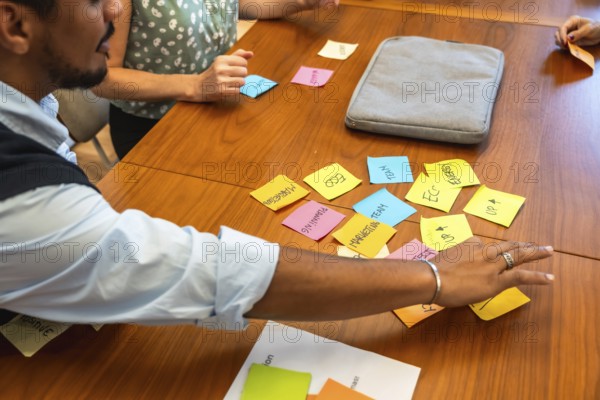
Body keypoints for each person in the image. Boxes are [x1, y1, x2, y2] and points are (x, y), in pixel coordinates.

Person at [0, 0, 554, 329]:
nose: (116, 10)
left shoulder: (27, 93)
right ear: (15, 26)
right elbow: (208, 272)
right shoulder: (23, 200)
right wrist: (433, 277)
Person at [91, 0, 339, 159]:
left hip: (216, 108)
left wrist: (299, 2)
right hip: (154, 129)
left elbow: (238, 4)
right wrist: (194, 85)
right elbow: (104, 78)